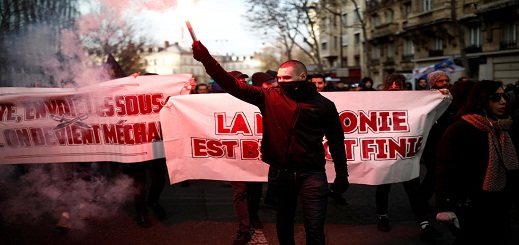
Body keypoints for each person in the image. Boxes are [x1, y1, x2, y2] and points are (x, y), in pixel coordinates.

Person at [192, 40, 349, 245]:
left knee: (315, 228)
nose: (281, 82)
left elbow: (336, 140)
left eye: (286, 78)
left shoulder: (324, 105)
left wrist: (342, 174)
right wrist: (206, 59)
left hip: (312, 173)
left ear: (302, 77)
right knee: (284, 223)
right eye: (279, 78)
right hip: (280, 172)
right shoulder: (269, 97)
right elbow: (232, 85)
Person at [435, 80, 519, 244]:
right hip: (471, 203)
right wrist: (444, 207)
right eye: (495, 97)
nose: (503, 101)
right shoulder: (460, 128)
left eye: (504, 96)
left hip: (499, 202)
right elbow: (444, 169)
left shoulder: (504, 126)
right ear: (481, 99)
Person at [374, 74, 443, 241]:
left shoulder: (412, 101)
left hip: (405, 152)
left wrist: (441, 96)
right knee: (383, 186)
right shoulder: (376, 101)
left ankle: (424, 224)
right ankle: (383, 216)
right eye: (391, 85)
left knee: (413, 188)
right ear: (386, 86)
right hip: (385, 152)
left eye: (398, 85)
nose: (394, 88)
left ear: (404, 87)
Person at [229, 70, 264, 245]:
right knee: (240, 191)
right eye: (238, 81)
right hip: (235, 154)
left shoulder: (255, 97)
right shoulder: (218, 101)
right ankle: (244, 228)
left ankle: (253, 214)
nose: (242, 83)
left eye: (244, 80)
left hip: (255, 153)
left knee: (256, 188)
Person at [420, 70, 454, 210]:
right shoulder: (427, 98)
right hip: (431, 142)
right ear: (433, 83)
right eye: (441, 81)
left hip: (446, 140)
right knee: (434, 172)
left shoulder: (450, 96)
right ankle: (421, 199)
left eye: (446, 80)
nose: (445, 83)